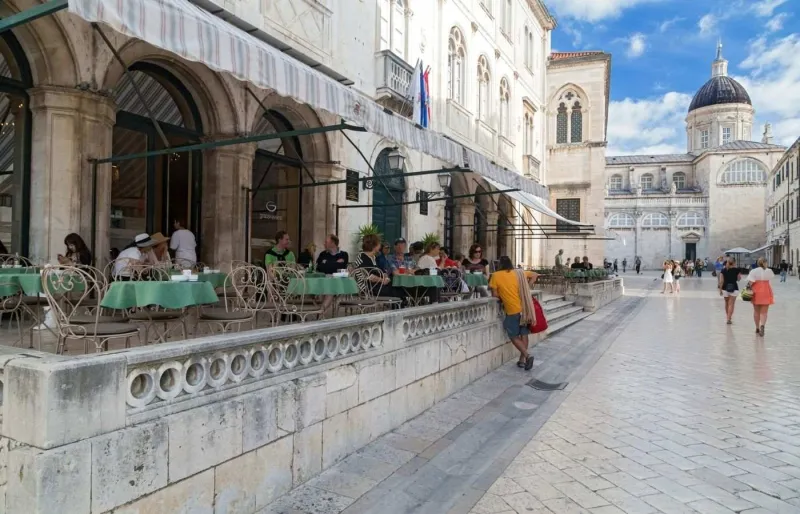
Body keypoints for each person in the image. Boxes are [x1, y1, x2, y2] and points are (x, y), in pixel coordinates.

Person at [489, 256, 537, 371]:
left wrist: (503, 295)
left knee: (513, 336)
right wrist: (526, 288)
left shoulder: (495, 276)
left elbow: (494, 295)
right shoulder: (519, 273)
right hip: (524, 308)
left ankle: (527, 356)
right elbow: (534, 275)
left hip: (512, 310)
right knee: (524, 334)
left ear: (499, 264)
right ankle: (521, 361)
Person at [357, 234, 402, 302]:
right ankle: (399, 309)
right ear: (374, 246)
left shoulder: (373, 257)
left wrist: (384, 274)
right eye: (379, 243)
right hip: (369, 289)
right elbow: (370, 277)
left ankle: (400, 307)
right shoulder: (362, 257)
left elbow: (378, 271)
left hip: (377, 286)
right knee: (399, 290)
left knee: (400, 286)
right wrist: (382, 280)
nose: (380, 245)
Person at [747, 258, 774, 336]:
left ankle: (757, 327)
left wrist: (747, 289)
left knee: (756, 311)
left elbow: (750, 282)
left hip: (756, 291)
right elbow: (771, 278)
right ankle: (762, 325)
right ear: (765, 263)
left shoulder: (754, 271)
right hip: (766, 291)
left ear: (758, 263)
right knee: (764, 312)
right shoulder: (769, 271)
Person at [718, 258, 741, 325]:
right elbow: (739, 279)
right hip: (734, 288)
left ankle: (728, 317)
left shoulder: (723, 270)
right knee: (731, 304)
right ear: (734, 263)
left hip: (725, 288)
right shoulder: (737, 270)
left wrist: (720, 290)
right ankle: (729, 318)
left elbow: (721, 281)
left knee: (726, 303)